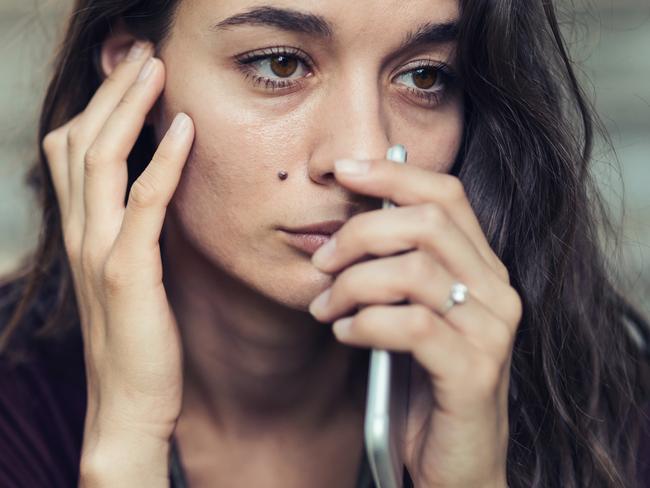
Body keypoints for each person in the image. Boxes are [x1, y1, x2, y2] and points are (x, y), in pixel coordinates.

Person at [0, 0, 648, 486]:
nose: (359, 153)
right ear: (132, 81)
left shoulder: (606, 413)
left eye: (424, 78)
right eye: (280, 65)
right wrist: (125, 448)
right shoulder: (18, 408)